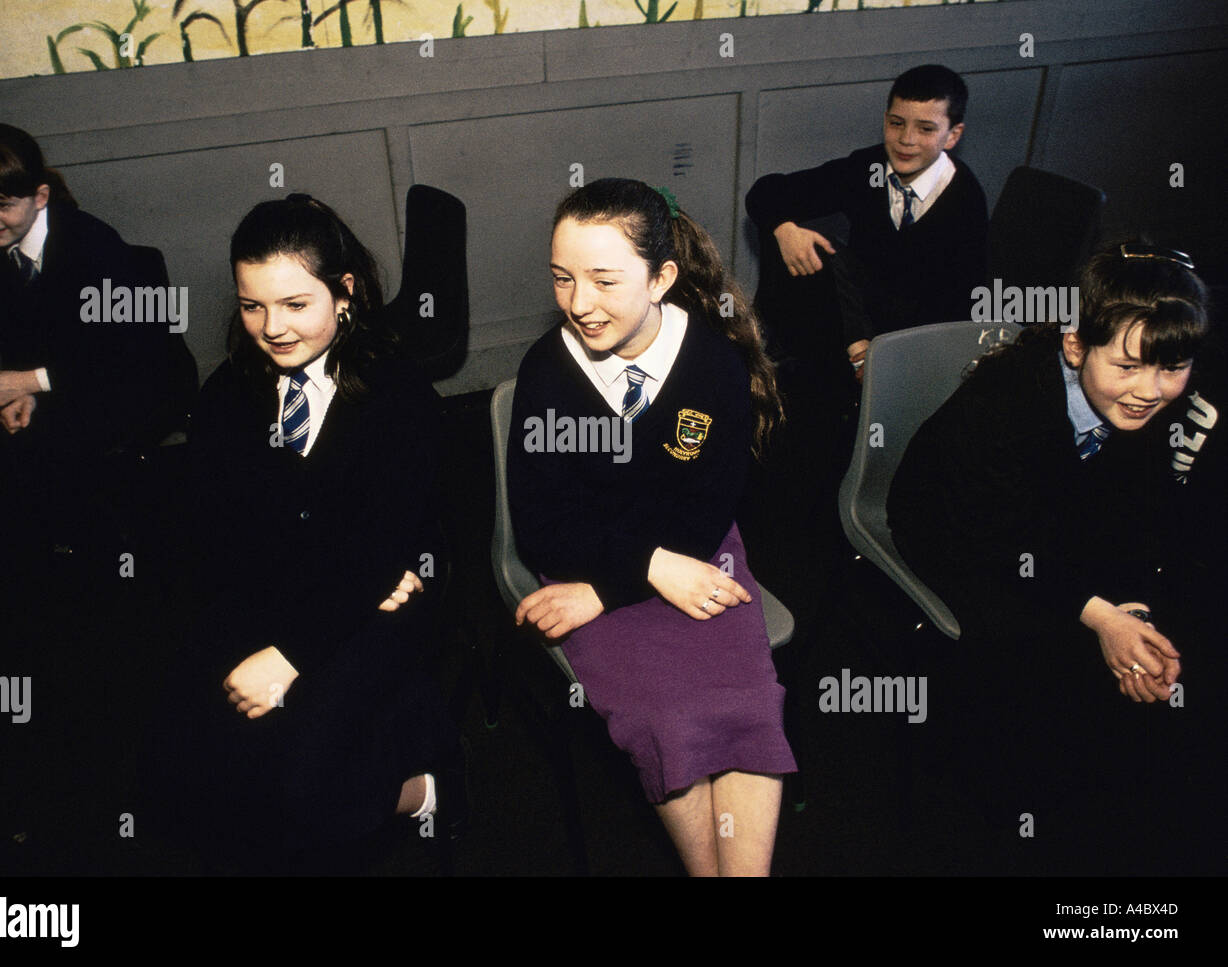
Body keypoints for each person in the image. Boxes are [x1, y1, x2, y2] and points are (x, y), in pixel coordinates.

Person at [887, 242, 1224, 873]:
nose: (1150, 391)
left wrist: (1132, 610)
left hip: (1053, 531)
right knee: (1040, 656)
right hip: (960, 534)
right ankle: (1014, 812)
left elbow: (1137, 515)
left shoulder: (1142, 394)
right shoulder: (1005, 403)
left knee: (1156, 648)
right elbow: (993, 540)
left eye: (1170, 369)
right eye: (1127, 367)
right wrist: (1100, 618)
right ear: (1074, 345)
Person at [507, 178, 797, 876]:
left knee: (749, 703)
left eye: (605, 280)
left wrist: (624, 581)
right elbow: (542, 527)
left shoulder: (713, 363)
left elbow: (708, 507)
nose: (580, 303)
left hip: (696, 553)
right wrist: (637, 572)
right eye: (562, 278)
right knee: (668, 719)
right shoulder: (546, 373)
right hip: (588, 560)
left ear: (662, 276)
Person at [0, 123, 196, 873]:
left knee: (15, 489)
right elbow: (24, 332)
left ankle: (34, 634)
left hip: (135, 394)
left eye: (5, 204)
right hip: (63, 386)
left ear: (40, 195)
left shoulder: (93, 245)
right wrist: (19, 385)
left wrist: (32, 385)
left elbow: (137, 357)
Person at [172, 194, 461, 873]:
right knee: (193, 767)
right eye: (252, 305)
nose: (271, 327)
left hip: (392, 597)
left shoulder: (397, 391)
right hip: (284, 588)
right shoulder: (227, 393)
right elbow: (211, 537)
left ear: (345, 292)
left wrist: (290, 655)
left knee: (304, 787)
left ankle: (426, 792)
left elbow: (385, 541)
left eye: (296, 304)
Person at [746, 64, 988, 380]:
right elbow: (766, 192)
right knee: (799, 248)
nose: (907, 140)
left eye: (926, 129)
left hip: (917, 346)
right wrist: (784, 229)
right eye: (896, 123)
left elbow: (959, 309)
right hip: (855, 326)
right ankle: (776, 364)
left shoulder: (965, 199)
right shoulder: (870, 168)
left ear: (953, 135)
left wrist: (881, 357)